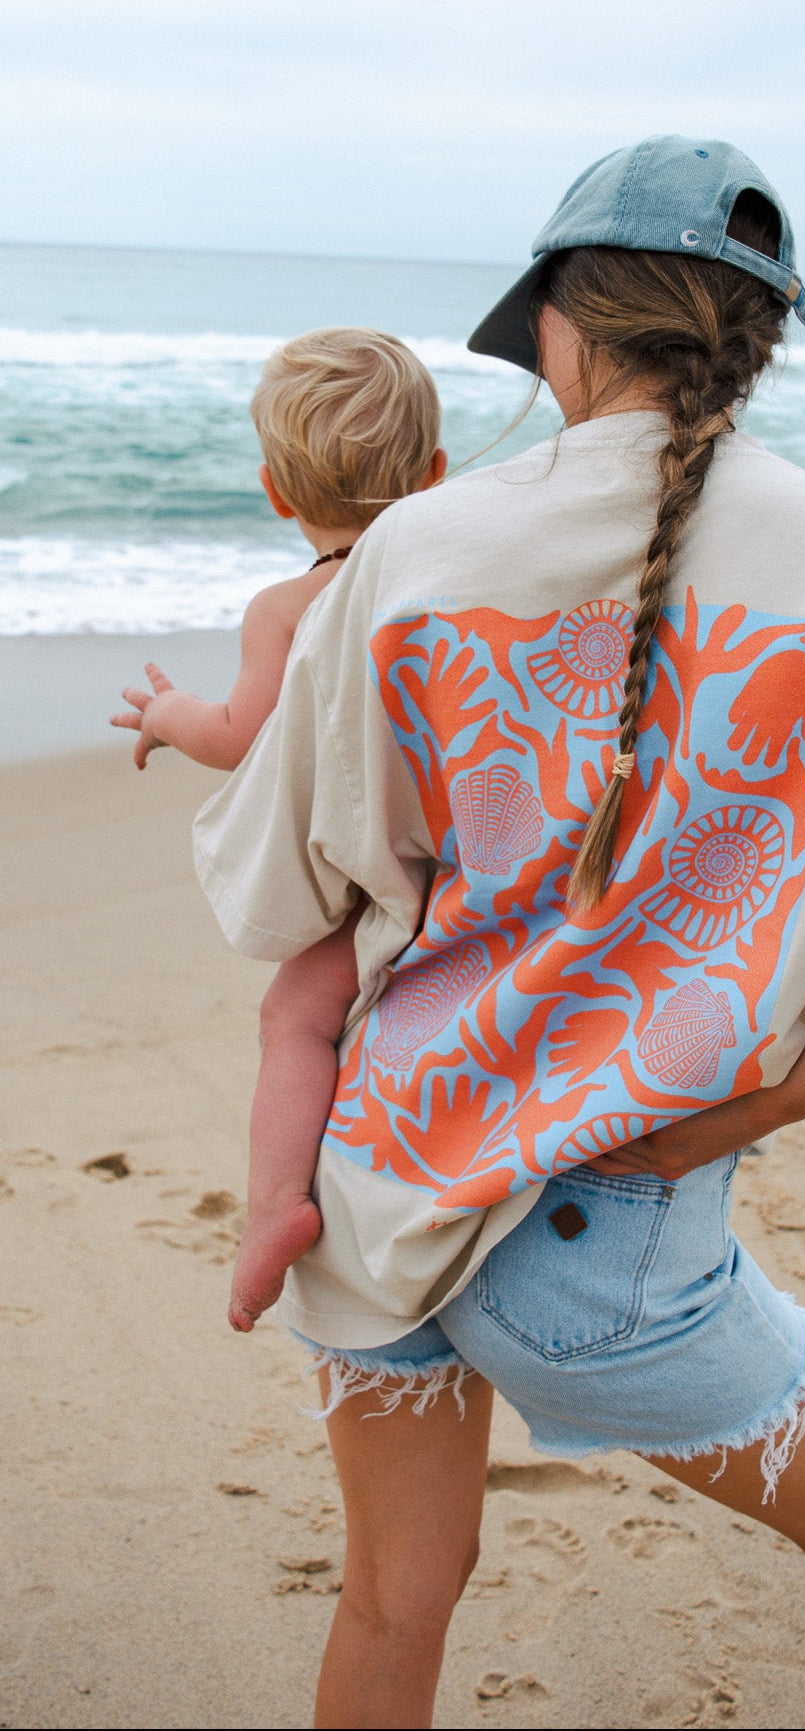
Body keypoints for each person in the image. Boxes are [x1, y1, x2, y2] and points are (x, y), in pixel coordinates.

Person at [192, 138, 805, 1730]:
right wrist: (752, 1104)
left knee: (391, 1600)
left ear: (558, 319)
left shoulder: (416, 551)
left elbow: (285, 893)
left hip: (379, 1171)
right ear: (758, 338)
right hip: (598, 1241)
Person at [112, 327, 446, 1330]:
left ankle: (271, 1213)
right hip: (481, 863)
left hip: (379, 888)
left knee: (292, 1018)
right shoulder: (456, 587)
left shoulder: (288, 609)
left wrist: (168, 719)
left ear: (275, 493)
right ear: (434, 475)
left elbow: (234, 735)